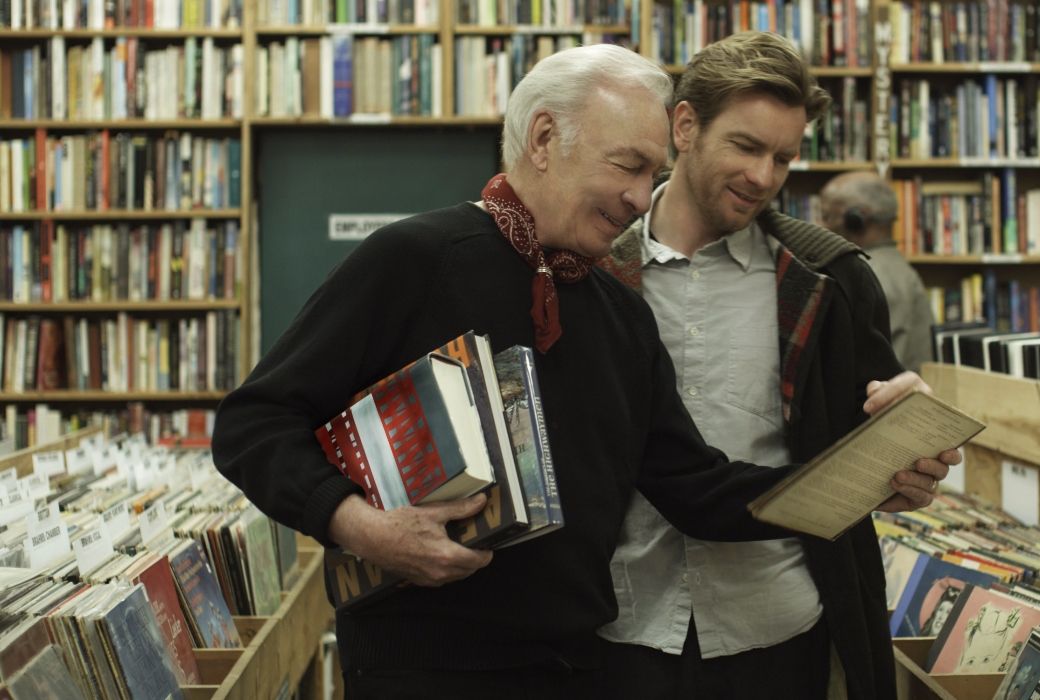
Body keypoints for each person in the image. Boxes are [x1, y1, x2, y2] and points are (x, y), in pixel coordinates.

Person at [211, 44, 949, 699]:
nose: (638, 197)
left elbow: (695, 487)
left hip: (578, 669)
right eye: (627, 166)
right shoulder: (415, 259)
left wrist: (867, 472)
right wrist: (359, 525)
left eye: (652, 174)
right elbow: (255, 424)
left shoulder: (618, 308)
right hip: (420, 667)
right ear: (543, 139)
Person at [597, 32, 959, 700]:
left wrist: (908, 457)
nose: (763, 177)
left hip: (777, 627)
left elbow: (871, 436)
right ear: (684, 125)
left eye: (783, 158)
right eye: (745, 146)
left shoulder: (831, 281)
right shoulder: (592, 269)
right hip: (619, 629)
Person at [821, 171, 935, 370]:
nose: (822, 226)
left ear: (856, 219)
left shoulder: (868, 277)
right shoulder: (896, 268)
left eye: (828, 216)